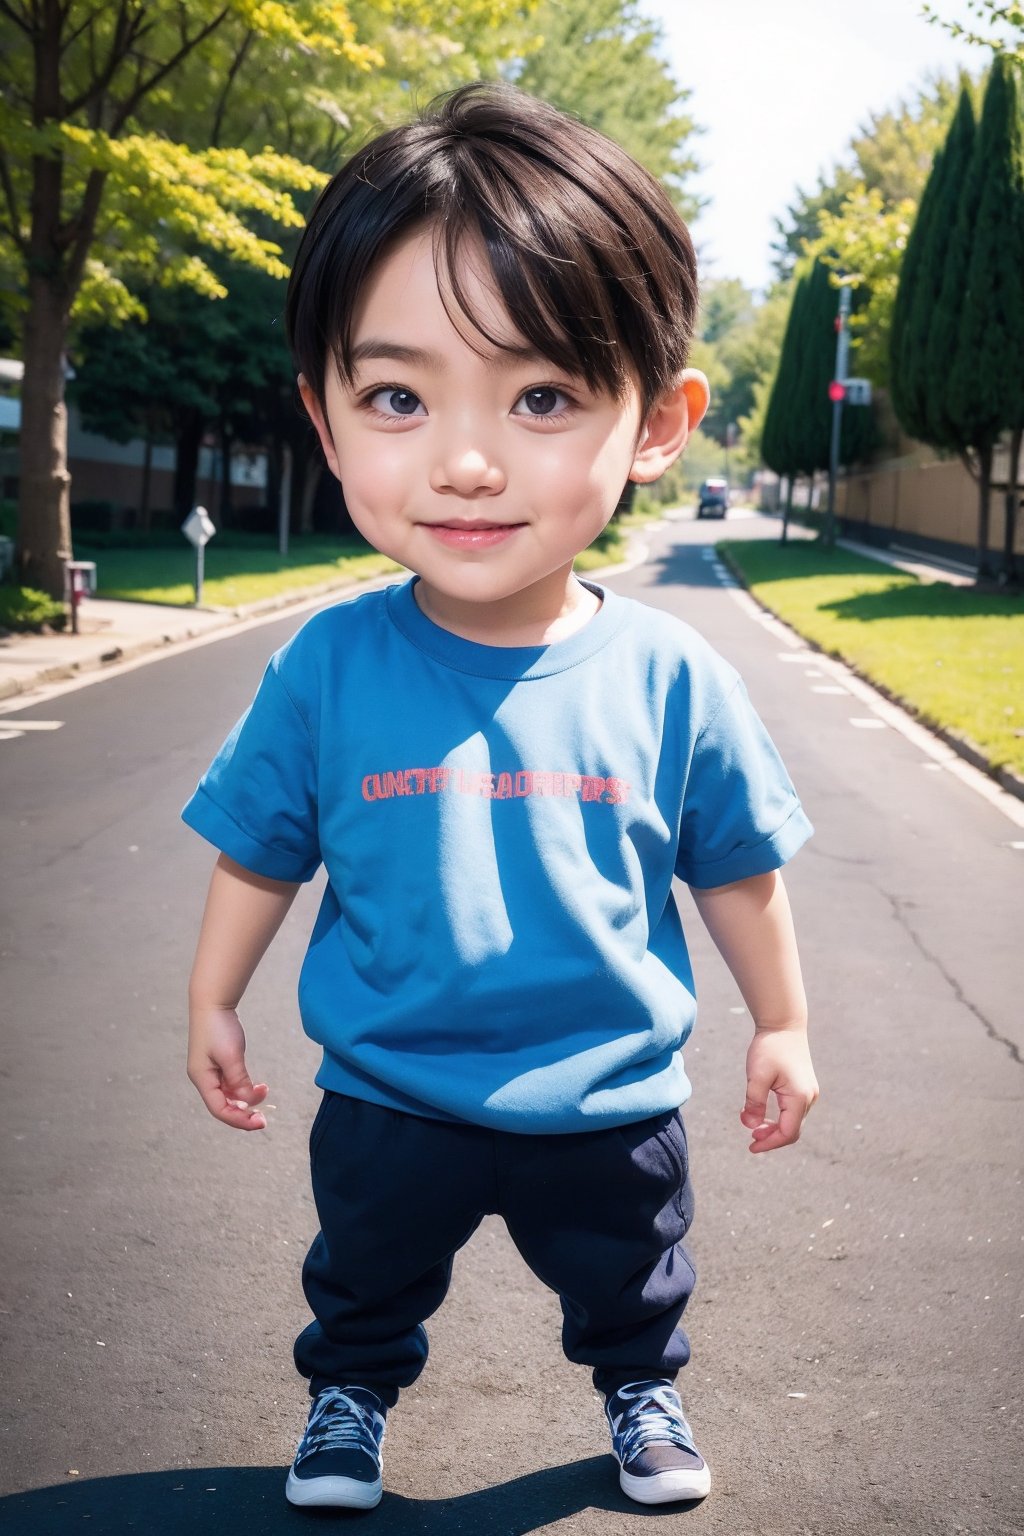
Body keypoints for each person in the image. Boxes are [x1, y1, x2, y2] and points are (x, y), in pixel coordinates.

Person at [182, 80, 818, 1513]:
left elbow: (737, 865)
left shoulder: (668, 674)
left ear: (657, 421)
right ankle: (349, 1395)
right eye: (398, 396)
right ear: (328, 420)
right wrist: (212, 996)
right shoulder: (328, 665)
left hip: (608, 1090)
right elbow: (259, 848)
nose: (466, 460)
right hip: (390, 1086)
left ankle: (641, 1389)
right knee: (363, 1266)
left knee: (631, 1270)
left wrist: (782, 1020)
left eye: (541, 397)